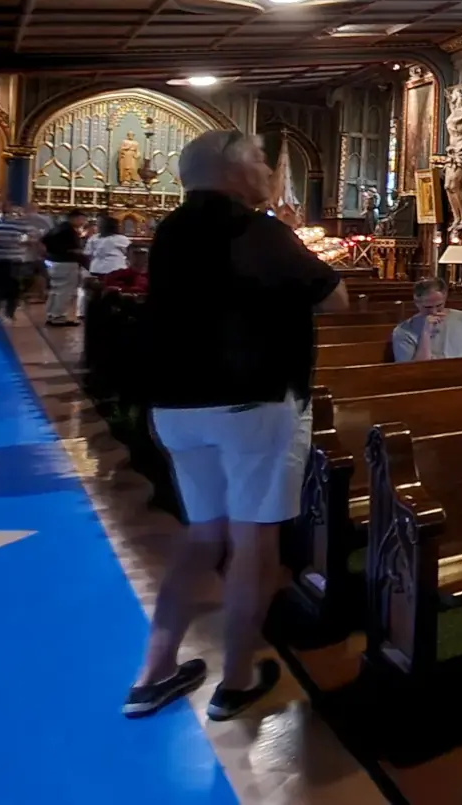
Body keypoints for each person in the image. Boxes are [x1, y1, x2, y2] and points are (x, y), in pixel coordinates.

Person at [126, 129, 348, 721]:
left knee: (203, 535)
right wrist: (288, 234)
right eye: (256, 161)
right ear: (227, 171)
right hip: (252, 404)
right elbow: (336, 300)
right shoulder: (256, 229)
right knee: (254, 540)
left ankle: (154, 672)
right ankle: (237, 679)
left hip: (177, 405)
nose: (266, 172)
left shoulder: (171, 232)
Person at [390, 278, 462, 362]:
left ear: (445, 298)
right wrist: (425, 333)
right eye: (427, 307)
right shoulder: (403, 331)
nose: (434, 311)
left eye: (439, 305)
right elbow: (414, 371)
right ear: (417, 303)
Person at [41, 209, 89, 326]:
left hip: (54, 263)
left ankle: (51, 315)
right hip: (66, 263)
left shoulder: (57, 228)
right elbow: (74, 249)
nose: (83, 222)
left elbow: (43, 240)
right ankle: (59, 317)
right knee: (65, 291)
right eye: (82, 219)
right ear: (75, 218)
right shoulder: (69, 230)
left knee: (55, 290)